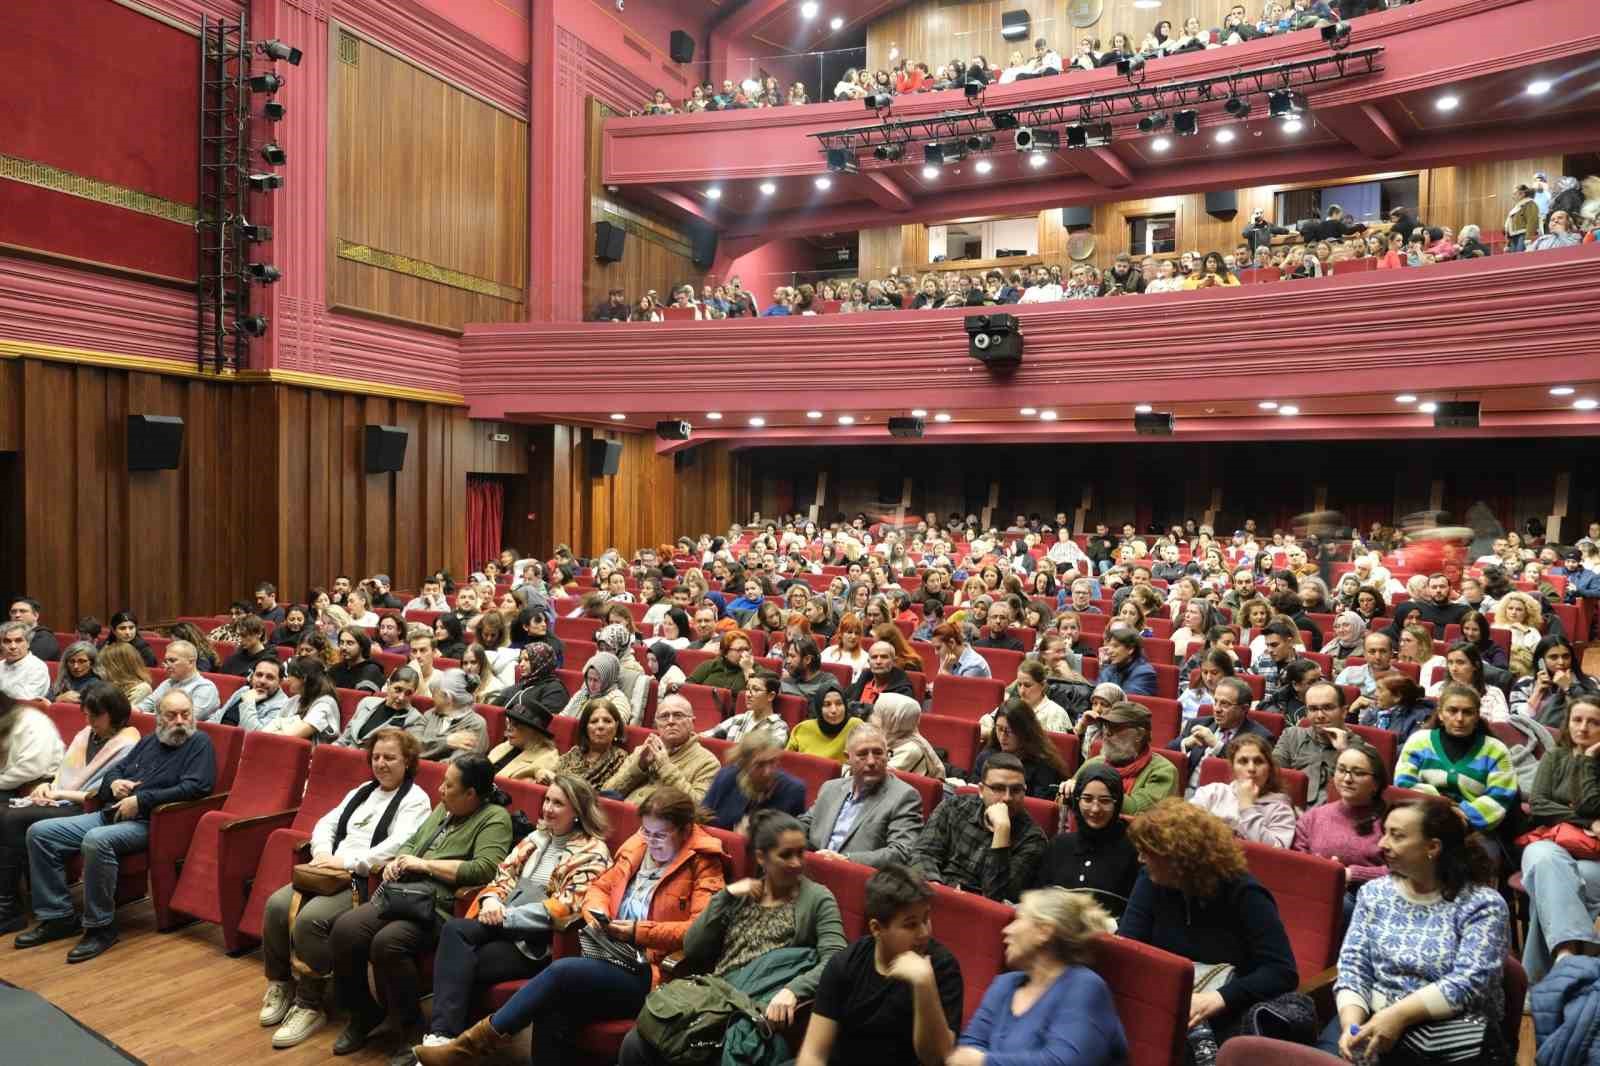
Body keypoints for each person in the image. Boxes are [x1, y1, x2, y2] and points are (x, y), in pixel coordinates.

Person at [414, 786, 725, 1065]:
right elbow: (599, 889)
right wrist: (599, 915)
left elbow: (699, 931)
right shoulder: (637, 847)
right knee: (553, 1006)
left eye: (660, 835)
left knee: (561, 973)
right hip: (610, 953)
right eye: (646, 832)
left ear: (684, 831)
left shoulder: (704, 863)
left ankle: (469, 1047)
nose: (651, 842)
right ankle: (454, 1043)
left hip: (653, 971)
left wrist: (635, 931)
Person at [615, 809, 849, 1065]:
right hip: (716, 999)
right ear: (761, 857)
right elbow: (692, 947)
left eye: (800, 853)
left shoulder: (817, 898)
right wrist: (725, 897)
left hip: (757, 1009)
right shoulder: (743, 894)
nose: (796, 863)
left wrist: (794, 990)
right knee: (638, 1042)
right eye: (785, 855)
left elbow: (836, 959)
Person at [258, 728, 432, 1047]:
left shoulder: (416, 799)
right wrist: (322, 852)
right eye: (376, 757)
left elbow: (401, 843)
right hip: (327, 870)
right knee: (276, 906)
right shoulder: (364, 790)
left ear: (407, 761)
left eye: (390, 757)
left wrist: (349, 862)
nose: (381, 764)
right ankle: (282, 982)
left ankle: (311, 1003)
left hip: (364, 879)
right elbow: (327, 822)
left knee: (312, 920)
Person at [327, 753, 511, 1055]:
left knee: (388, 943)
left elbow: (486, 868)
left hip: (438, 906)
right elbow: (414, 843)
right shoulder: (445, 807)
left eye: (449, 786)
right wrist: (398, 862)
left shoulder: (494, 818)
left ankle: (409, 1029)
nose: (440, 790)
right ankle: (364, 1013)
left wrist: (425, 865)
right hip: (402, 893)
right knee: (345, 930)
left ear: (471, 794)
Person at [413, 774, 611, 1054]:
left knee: (462, 964)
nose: (547, 809)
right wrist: (492, 899)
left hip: (536, 940)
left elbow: (566, 907)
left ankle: (445, 1042)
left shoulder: (593, 852)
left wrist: (506, 916)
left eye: (558, 804)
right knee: (454, 929)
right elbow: (503, 874)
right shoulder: (537, 837)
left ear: (578, 811)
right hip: (503, 918)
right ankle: (443, 1039)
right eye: (547, 801)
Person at [16, 690, 215, 962]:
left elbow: (197, 786)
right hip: (112, 813)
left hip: (152, 823)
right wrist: (114, 784)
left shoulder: (199, 743)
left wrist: (141, 800)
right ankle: (57, 916)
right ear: (159, 718)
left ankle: (101, 927)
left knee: (97, 840)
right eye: (171, 715)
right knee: (41, 833)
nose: (180, 721)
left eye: (185, 714)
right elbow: (116, 771)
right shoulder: (148, 742)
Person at [1321, 798, 1510, 1064]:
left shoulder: (1482, 904)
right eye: (1384, 833)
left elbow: (1468, 983)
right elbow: (1354, 966)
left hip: (1446, 1030)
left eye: (1396, 836)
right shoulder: (1374, 893)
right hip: (1370, 1016)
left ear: (1432, 847)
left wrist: (1397, 1016)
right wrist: (1352, 1025)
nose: (1382, 844)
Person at [1120, 800, 1299, 1061]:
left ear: (1179, 859)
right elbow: (1129, 947)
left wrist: (1217, 998)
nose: (1140, 859)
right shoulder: (1150, 879)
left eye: (1148, 852)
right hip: (1162, 999)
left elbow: (1282, 971)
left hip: (1224, 1009)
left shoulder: (1244, 893)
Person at [793, 863, 963, 1066]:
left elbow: (937, 1059)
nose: (924, 933)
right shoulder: (846, 964)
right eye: (910, 924)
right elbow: (814, 1053)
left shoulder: (943, 967)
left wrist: (924, 986)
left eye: (926, 919)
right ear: (876, 928)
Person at [0, 685, 139, 933]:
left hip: (87, 808)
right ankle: (10, 900)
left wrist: (59, 792)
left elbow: (100, 793)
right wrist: (46, 785)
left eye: (95, 716)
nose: (89, 721)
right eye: (86, 715)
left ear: (114, 714)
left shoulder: (127, 744)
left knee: (11, 818)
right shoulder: (87, 734)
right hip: (62, 799)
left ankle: (9, 907)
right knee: (5, 814)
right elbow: (64, 773)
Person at [949, 888, 1128, 1066]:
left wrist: (983, 1061)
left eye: (1018, 920)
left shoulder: (1085, 987)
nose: (1007, 930)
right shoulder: (1004, 984)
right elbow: (966, 1051)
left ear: (1044, 931)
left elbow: (1064, 1062)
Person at [1516, 693, 1600, 981]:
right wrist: (1588, 821)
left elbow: (1590, 802)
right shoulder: (1556, 756)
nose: (1583, 728)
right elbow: (1539, 806)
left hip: (1594, 854)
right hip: (1548, 840)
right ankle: (1573, 962)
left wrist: (1589, 760)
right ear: (1568, 722)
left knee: (1557, 886)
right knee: (1544, 861)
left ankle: (1538, 981)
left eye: (1594, 722)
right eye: (1577, 720)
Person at [1395, 683, 1517, 859]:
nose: (1459, 718)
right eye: (1452, 711)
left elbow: (1500, 797)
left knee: (1481, 858)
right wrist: (1444, 807)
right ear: (1441, 714)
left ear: (1477, 716)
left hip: (1475, 828)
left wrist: (1462, 817)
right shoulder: (1419, 741)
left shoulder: (1496, 751)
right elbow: (1404, 786)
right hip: (1423, 820)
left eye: (1468, 712)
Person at [913, 753, 1045, 903]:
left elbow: (996, 898)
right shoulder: (954, 807)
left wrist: (1002, 830)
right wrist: (938, 890)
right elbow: (922, 854)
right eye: (998, 788)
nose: (1007, 798)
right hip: (934, 895)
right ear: (981, 790)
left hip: (978, 912)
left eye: (1016, 790)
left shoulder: (1033, 839)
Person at [801, 724, 923, 867]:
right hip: (811, 868)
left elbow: (901, 852)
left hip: (857, 879)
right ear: (848, 758)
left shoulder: (904, 796)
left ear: (888, 755)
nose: (871, 761)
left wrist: (845, 860)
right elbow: (805, 824)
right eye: (862, 754)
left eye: (878, 753)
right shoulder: (830, 788)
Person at [1033, 762, 1139, 916]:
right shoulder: (1059, 845)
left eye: (1105, 801)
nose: (1095, 809)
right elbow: (1038, 898)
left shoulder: (1132, 853)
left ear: (1117, 804)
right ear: (1077, 801)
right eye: (1087, 799)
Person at [602, 692, 719, 804]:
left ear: (692, 722)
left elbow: (699, 810)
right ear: (656, 724)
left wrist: (665, 767)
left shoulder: (708, 763)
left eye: (678, 715)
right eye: (664, 716)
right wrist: (638, 767)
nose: (671, 721)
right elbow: (607, 793)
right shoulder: (642, 751)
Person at [1067, 701, 1177, 813]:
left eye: (1116, 727)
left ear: (1139, 735)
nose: (1107, 733)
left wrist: (1087, 787)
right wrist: (1065, 792)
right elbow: (1062, 804)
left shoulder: (1163, 771)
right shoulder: (1095, 763)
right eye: (1106, 726)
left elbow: (1136, 810)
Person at [1189, 734, 1297, 847]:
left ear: (1269, 769)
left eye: (1258, 761)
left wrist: (1246, 806)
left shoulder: (1280, 809)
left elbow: (1277, 854)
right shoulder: (1212, 792)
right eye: (1243, 761)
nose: (1251, 768)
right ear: (1233, 768)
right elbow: (1185, 829)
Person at [1171, 676, 1274, 789]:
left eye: (1225, 704)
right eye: (1215, 701)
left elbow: (1250, 773)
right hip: (1188, 792)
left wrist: (1217, 746)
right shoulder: (1198, 724)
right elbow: (1167, 755)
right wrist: (1185, 743)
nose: (1217, 709)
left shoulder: (1261, 737)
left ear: (1244, 709)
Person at [701, 731, 806, 831]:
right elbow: (703, 818)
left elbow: (793, 839)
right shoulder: (726, 777)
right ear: (744, 764)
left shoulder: (793, 791)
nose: (767, 771)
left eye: (772, 762)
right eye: (759, 765)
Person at [973, 700, 1068, 798]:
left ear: (1025, 731)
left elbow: (1039, 807)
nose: (1002, 737)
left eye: (1009, 731)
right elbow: (973, 794)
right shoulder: (985, 757)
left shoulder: (1044, 766)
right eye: (999, 729)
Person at [1512, 633, 1600, 728]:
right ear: (1541, 661)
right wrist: (1537, 693)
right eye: (1553, 657)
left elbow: (1593, 714)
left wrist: (1569, 688)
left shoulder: (1591, 682)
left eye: (1566, 656)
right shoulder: (1525, 684)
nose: (1561, 662)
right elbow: (1516, 722)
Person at [553, 693, 630, 789]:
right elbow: (553, 776)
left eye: (607, 721)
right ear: (585, 728)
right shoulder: (575, 753)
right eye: (594, 721)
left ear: (616, 726)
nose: (600, 726)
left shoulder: (621, 759)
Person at [335, 666, 424, 747]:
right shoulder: (367, 702)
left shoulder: (415, 719)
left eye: (408, 693)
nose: (401, 697)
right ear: (388, 685)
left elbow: (408, 754)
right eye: (398, 690)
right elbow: (344, 739)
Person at [133, 639, 220, 720]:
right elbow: (146, 705)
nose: (167, 666)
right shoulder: (168, 683)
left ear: (191, 662)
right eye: (166, 661)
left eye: (172, 661)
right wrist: (136, 710)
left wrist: (146, 714)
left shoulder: (205, 688)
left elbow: (185, 719)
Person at [702, 668, 789, 745]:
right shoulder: (739, 719)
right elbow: (705, 737)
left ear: (771, 696)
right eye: (748, 689)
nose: (748, 694)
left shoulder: (778, 728)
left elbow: (762, 757)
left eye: (756, 689)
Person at [416, 670, 490, 761]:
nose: (432, 699)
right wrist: (446, 741)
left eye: (434, 694)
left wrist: (427, 750)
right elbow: (412, 748)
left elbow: (455, 765)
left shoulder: (476, 724)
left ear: (448, 697)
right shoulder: (429, 715)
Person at [872, 692, 944, 779]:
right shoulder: (887, 736)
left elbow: (875, 779)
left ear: (893, 721)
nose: (871, 718)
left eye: (877, 714)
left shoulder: (910, 750)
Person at [486, 701, 560, 782]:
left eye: (516, 724)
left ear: (535, 731)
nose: (509, 728)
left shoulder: (548, 759)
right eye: (509, 722)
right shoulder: (507, 745)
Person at [787, 686, 862, 762]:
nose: (834, 710)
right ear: (819, 708)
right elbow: (785, 762)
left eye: (839, 704)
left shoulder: (856, 726)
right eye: (827, 704)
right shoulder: (803, 728)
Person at [212, 655, 288, 729]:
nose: (262, 681)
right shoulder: (244, 690)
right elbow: (218, 715)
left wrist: (248, 702)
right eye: (259, 675)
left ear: (280, 682)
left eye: (270, 677)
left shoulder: (283, 705)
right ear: (252, 676)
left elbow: (257, 735)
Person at [1095, 624, 1157, 696]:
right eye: (1109, 646)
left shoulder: (1145, 673)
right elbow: (1098, 693)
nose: (1109, 651)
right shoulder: (1111, 667)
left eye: (1115, 646)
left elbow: (1126, 701)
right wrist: (1104, 666)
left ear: (1130, 649)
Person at [0, 621, 50, 702]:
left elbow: (26, 699)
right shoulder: (1, 665)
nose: (13, 646)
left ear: (28, 643)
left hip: (23, 712)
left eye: (18, 641)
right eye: (7, 641)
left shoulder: (37, 667)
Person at [330, 627, 387, 693]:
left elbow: (361, 698)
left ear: (362, 646)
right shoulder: (336, 668)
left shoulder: (371, 671)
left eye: (350, 643)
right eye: (342, 642)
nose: (344, 647)